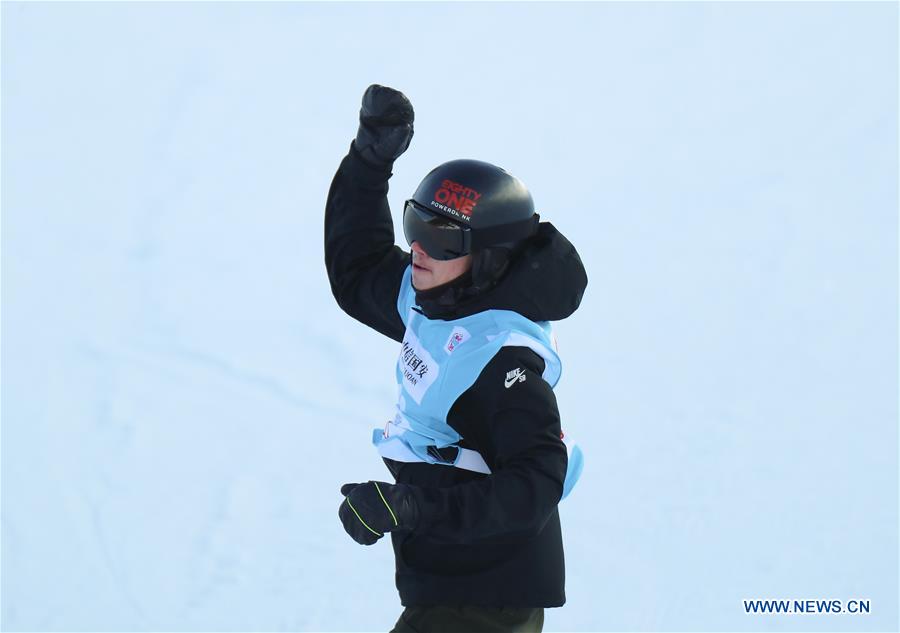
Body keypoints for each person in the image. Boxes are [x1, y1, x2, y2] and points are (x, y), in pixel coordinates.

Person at [325, 84, 587, 633]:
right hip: (448, 581)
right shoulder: (435, 299)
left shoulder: (503, 362)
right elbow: (357, 271)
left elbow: (536, 484)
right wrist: (370, 162)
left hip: (490, 602)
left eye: (444, 240)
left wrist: (414, 507)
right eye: (416, 226)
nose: (419, 249)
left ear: (489, 259)